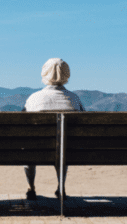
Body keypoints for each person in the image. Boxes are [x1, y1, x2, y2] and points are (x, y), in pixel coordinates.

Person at [23, 58, 85, 201]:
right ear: (67, 74)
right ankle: (60, 186)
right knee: (63, 146)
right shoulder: (74, 99)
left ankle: (31, 188)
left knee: (28, 148)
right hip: (66, 150)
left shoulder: (33, 99)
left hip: (37, 149)